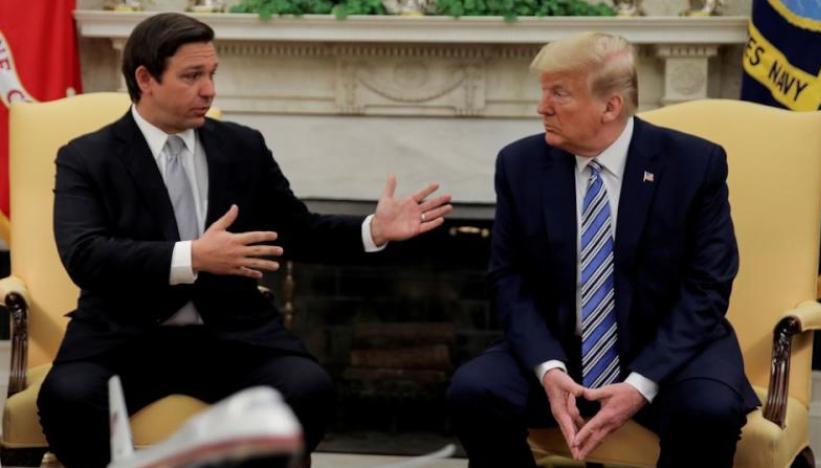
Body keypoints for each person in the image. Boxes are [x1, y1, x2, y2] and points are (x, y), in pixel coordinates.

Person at [37, 12, 452, 468]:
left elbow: (295, 230)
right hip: (123, 337)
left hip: (229, 335)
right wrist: (194, 256)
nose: (209, 90)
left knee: (307, 388)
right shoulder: (86, 156)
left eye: (212, 74)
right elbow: (85, 254)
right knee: (67, 399)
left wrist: (372, 230)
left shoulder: (242, 146)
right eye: (192, 76)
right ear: (145, 79)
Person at [446, 32, 759, 468]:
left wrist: (640, 384)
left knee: (709, 411)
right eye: (543, 92)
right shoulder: (520, 165)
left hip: (670, 350)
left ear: (610, 106)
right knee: (473, 391)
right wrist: (549, 369)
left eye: (559, 94)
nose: (542, 107)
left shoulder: (693, 164)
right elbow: (508, 279)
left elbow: (707, 286)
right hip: (561, 347)